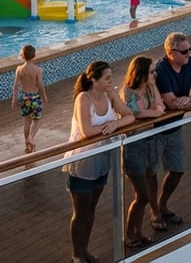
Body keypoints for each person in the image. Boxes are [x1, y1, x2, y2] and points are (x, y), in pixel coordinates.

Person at [64, 61, 134, 263]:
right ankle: (77, 255)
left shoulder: (110, 94)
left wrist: (116, 123)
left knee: (91, 209)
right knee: (81, 211)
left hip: (102, 160)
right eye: (107, 78)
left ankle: (84, 249)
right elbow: (86, 131)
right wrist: (109, 127)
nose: (111, 81)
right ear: (94, 80)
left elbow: (129, 115)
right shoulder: (83, 99)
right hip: (82, 163)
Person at [152, 32, 191, 230]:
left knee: (177, 170)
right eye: (184, 51)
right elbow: (171, 103)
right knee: (150, 175)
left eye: (189, 50)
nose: (188, 54)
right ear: (170, 52)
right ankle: (154, 212)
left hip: (174, 128)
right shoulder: (161, 70)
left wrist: (190, 99)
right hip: (153, 132)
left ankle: (162, 206)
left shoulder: (190, 63)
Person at [121, 56, 166, 248]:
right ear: (139, 72)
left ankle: (137, 233)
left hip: (149, 141)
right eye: (151, 72)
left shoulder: (148, 88)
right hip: (134, 145)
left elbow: (160, 107)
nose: (154, 74)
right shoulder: (127, 93)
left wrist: (154, 85)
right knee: (142, 195)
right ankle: (129, 234)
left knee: (146, 190)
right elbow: (133, 114)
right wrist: (152, 113)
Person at [10, 44, 49, 153]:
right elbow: (40, 85)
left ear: (22, 56)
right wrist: (44, 97)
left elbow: (15, 86)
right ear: (34, 56)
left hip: (24, 97)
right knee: (38, 120)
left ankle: (27, 145)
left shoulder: (19, 69)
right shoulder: (37, 70)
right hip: (34, 97)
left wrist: (14, 99)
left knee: (27, 121)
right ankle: (31, 137)